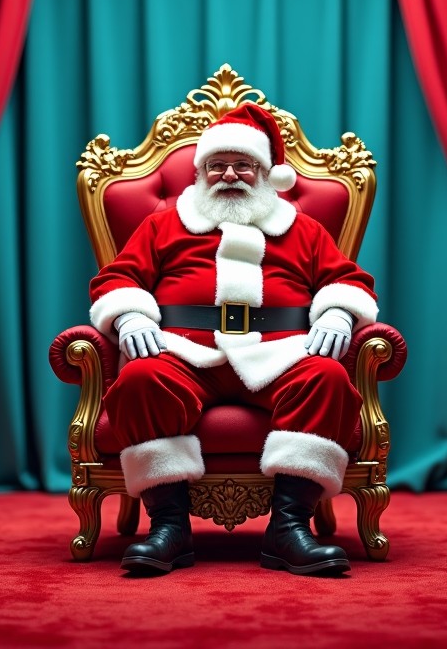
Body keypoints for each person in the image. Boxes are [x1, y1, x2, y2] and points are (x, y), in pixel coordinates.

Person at [88, 102, 379, 576]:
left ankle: (288, 530)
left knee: (327, 377)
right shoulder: (164, 225)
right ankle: (169, 527)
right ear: (200, 172)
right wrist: (129, 317)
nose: (229, 174)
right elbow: (115, 279)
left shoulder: (301, 229)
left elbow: (350, 280)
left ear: (264, 173)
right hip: (185, 351)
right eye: (217, 165)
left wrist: (342, 311)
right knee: (140, 378)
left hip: (279, 352)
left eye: (243, 164)